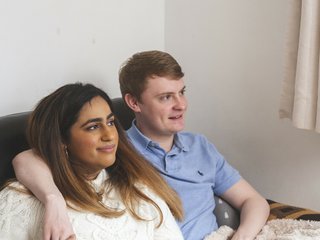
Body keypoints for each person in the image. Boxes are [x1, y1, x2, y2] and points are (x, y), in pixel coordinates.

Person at [13, 51, 270, 240]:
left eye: (182, 92)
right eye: (166, 97)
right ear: (134, 103)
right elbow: (26, 158)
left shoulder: (199, 146)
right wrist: (52, 199)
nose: (181, 105)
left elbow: (254, 201)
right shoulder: (116, 150)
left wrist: (242, 237)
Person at [0, 83, 184, 240]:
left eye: (111, 122)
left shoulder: (140, 189)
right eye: (93, 127)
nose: (109, 135)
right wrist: (53, 200)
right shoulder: (21, 201)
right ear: (62, 140)